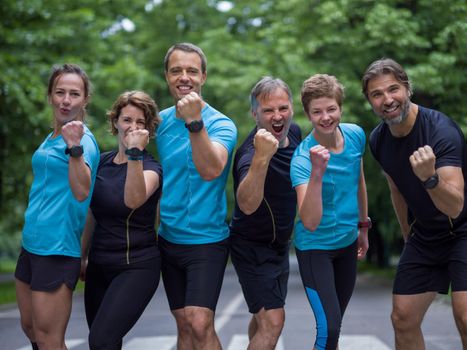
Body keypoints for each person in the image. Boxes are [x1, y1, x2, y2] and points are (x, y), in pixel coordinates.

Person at [362, 58, 467, 349]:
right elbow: (396, 188)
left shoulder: (441, 132)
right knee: (403, 318)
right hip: (425, 235)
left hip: (463, 230)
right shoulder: (379, 140)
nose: (388, 99)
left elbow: (455, 206)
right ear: (370, 102)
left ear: (407, 89)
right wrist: (409, 236)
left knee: (465, 315)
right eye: (377, 94)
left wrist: (430, 178)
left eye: (393, 89)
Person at [156, 43, 237, 350]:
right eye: (176, 70)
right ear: (167, 76)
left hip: (207, 240)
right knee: (184, 326)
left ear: (203, 76)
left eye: (192, 70)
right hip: (168, 239)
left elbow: (211, 169)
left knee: (200, 323)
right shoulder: (159, 123)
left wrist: (194, 122)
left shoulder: (220, 124)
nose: (184, 77)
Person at [14, 64, 100, 350]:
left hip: (57, 248)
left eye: (74, 94)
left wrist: (74, 147)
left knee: (50, 339)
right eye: (60, 92)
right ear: (50, 95)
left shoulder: (82, 140)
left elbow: (82, 191)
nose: (66, 100)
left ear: (85, 99)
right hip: (32, 245)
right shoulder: (52, 136)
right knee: (30, 327)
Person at [290, 74, 370, 350]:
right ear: (307, 114)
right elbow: (310, 222)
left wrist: (363, 227)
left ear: (340, 107)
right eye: (317, 111)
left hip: (347, 245)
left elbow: (358, 181)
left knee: (334, 327)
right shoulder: (302, 158)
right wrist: (318, 171)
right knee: (329, 328)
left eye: (331, 109)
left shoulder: (356, 134)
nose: (325, 117)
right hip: (315, 249)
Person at [80, 91, 163, 349]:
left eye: (141, 123)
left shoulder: (151, 167)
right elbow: (92, 212)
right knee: (106, 342)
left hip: (136, 266)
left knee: (100, 340)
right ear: (115, 121)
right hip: (98, 266)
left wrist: (135, 155)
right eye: (128, 120)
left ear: (149, 130)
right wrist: (82, 257)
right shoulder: (101, 163)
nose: (133, 128)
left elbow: (134, 199)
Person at [229, 76, 301, 349]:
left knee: (262, 319)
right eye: (268, 110)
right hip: (251, 246)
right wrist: (262, 158)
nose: (277, 116)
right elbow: (246, 204)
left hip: (280, 245)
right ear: (255, 114)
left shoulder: (294, 132)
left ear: (292, 108)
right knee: (273, 321)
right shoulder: (249, 153)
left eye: (283, 108)